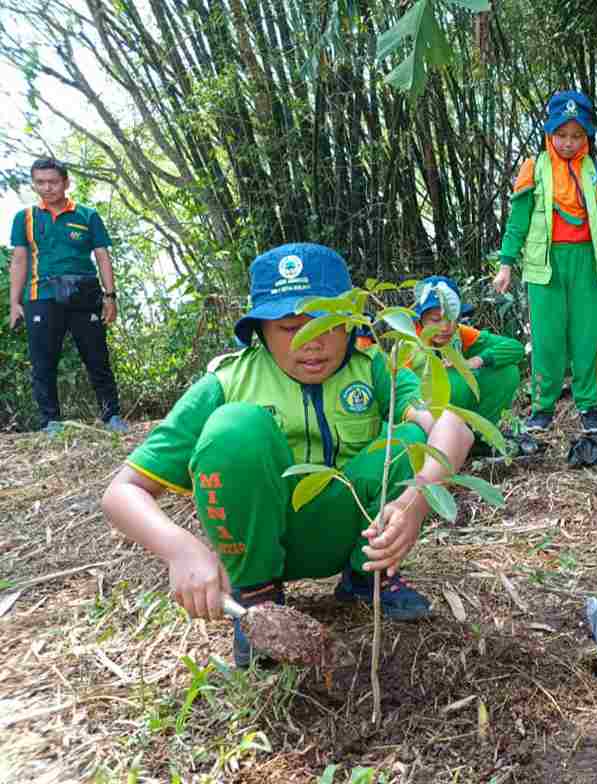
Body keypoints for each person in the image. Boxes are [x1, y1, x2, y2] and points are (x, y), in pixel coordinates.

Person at [101, 243, 474, 667]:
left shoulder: (371, 367)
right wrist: (179, 550)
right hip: (262, 540)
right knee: (234, 430)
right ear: (259, 330)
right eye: (289, 327)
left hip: (360, 533)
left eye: (325, 325)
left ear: (352, 325)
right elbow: (121, 493)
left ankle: (368, 579)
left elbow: (454, 428)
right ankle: (259, 601)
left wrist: (416, 502)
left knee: (410, 437)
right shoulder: (226, 382)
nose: (311, 344)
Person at [493, 90, 597, 435]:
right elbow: (518, 221)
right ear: (549, 133)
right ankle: (542, 409)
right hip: (545, 267)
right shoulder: (535, 167)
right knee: (547, 339)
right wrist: (505, 264)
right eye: (561, 135)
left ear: (587, 136)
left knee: (586, 338)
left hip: (586, 264)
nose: (568, 143)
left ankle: (589, 407)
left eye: (576, 136)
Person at [8, 158, 127, 434]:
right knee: (43, 361)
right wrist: (14, 302)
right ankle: (50, 422)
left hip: (83, 295)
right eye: (40, 182)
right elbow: (19, 260)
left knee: (97, 356)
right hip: (42, 295)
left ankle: (112, 416)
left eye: (53, 182)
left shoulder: (87, 215)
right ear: (34, 183)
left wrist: (110, 297)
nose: (47, 188)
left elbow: (102, 256)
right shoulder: (24, 218)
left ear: (65, 182)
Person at [409, 275, 525, 451]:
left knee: (507, 373)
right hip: (424, 419)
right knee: (459, 382)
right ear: (420, 319)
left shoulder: (460, 334)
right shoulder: (409, 345)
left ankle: (480, 439)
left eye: (452, 317)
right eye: (435, 320)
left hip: (458, 412)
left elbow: (515, 348)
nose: (445, 327)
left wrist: (477, 360)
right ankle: (445, 444)